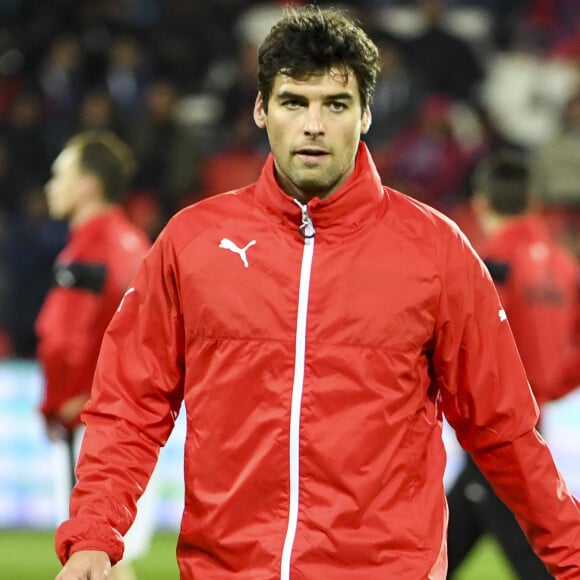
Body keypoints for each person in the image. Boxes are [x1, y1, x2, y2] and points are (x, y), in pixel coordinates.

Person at [54, 7, 580, 579]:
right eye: (293, 102)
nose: (314, 124)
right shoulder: (193, 242)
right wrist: (92, 536)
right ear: (261, 109)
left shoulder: (437, 251)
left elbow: (504, 430)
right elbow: (129, 405)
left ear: (366, 114)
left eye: (335, 104)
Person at [446, 151, 580, 579]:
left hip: (496, 429)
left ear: (482, 203)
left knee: (535, 558)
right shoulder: (565, 268)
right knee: (445, 542)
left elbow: (470, 344)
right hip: (533, 424)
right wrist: (550, 385)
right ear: (532, 201)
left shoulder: (488, 264)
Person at [35, 130, 154, 580]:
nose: (51, 185)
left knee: (88, 554)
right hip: (133, 416)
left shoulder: (86, 248)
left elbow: (63, 337)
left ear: (87, 184)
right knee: (110, 558)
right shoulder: (136, 242)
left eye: (60, 174)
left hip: (92, 422)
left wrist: (58, 402)